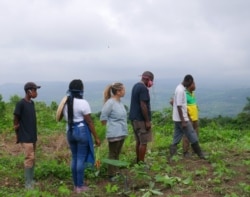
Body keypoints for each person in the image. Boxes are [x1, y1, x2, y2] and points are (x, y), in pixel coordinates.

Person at [62, 79, 101, 194]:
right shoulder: (83, 103)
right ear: (80, 89)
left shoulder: (65, 102)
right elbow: (89, 121)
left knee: (74, 157)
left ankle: (76, 185)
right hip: (81, 131)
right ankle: (79, 186)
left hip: (70, 131)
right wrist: (96, 137)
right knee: (80, 159)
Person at [169, 75, 205, 161]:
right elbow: (179, 106)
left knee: (176, 137)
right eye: (191, 82)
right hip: (182, 118)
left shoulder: (179, 88)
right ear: (188, 81)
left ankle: (172, 156)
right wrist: (183, 121)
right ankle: (201, 154)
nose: (191, 84)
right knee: (192, 135)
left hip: (177, 118)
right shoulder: (181, 90)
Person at [13, 82, 41, 189]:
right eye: (34, 90)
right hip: (25, 136)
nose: (36, 93)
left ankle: (31, 180)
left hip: (32, 136)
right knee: (29, 157)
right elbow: (16, 120)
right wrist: (18, 135)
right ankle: (28, 183)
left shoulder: (31, 103)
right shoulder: (21, 104)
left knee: (33, 158)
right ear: (29, 91)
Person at [100, 82, 128, 181]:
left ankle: (115, 171)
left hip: (121, 132)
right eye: (123, 90)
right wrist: (107, 129)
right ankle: (111, 175)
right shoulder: (110, 103)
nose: (125, 91)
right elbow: (103, 117)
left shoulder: (119, 102)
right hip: (114, 132)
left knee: (117, 153)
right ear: (118, 91)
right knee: (113, 153)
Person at [129, 71, 154, 164]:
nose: (151, 83)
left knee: (139, 141)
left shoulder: (136, 86)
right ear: (147, 79)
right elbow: (143, 105)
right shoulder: (143, 88)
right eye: (151, 81)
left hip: (134, 118)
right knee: (144, 142)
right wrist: (147, 121)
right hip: (140, 119)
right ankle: (141, 163)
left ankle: (138, 161)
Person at [182, 81, 199, 157]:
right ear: (189, 85)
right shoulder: (184, 94)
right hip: (188, 118)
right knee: (187, 135)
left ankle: (195, 150)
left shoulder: (192, 93)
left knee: (195, 134)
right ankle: (185, 151)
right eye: (194, 84)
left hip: (195, 117)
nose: (195, 86)